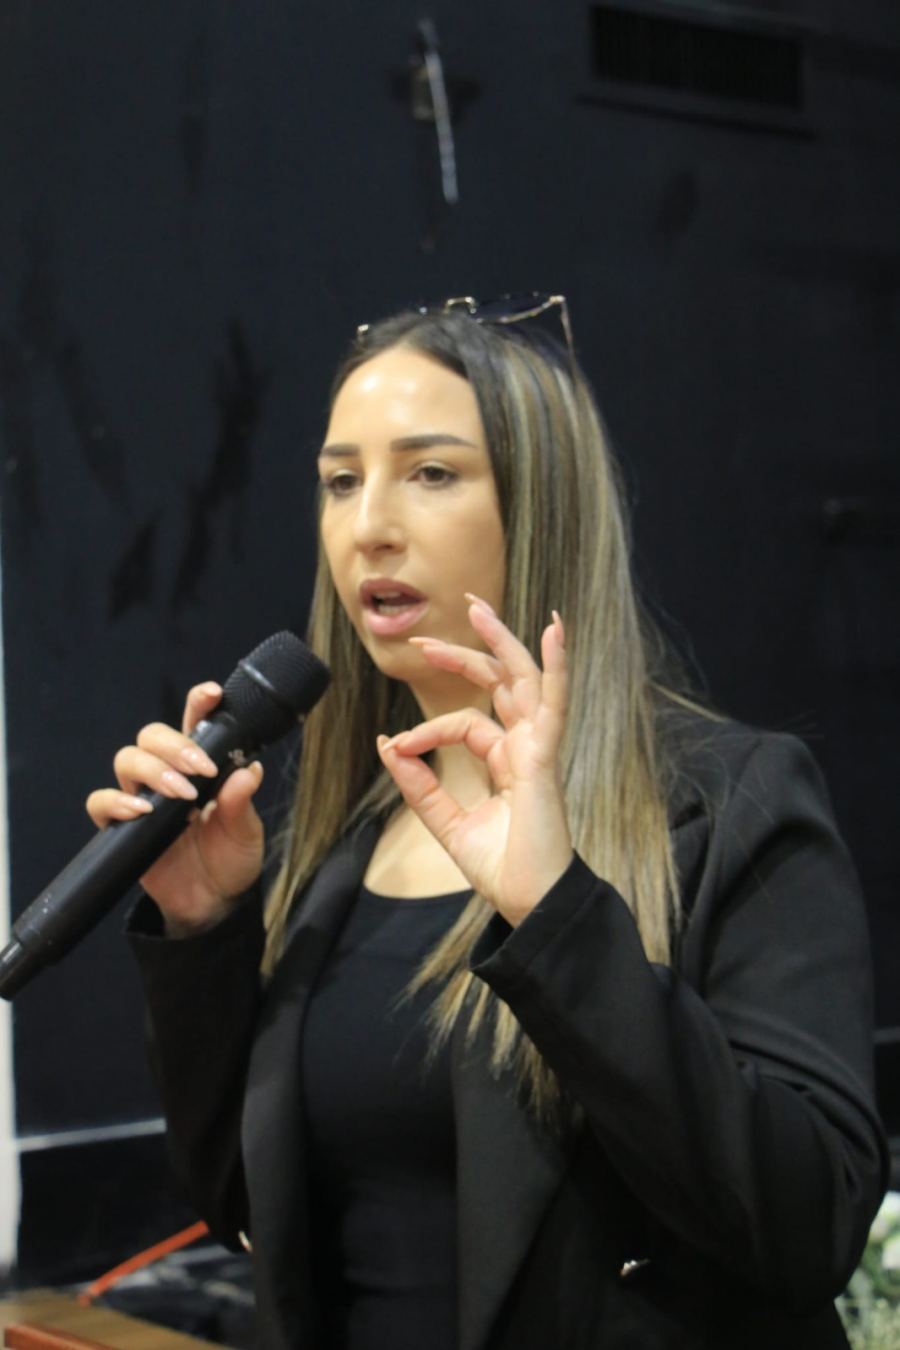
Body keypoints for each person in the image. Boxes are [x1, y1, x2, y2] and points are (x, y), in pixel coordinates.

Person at [88, 295, 888, 1349]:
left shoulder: (729, 805)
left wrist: (560, 916)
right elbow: (251, 1213)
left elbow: (808, 1223)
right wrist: (203, 933)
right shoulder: (339, 848)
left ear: (540, 506)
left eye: (431, 473)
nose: (369, 525)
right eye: (341, 481)